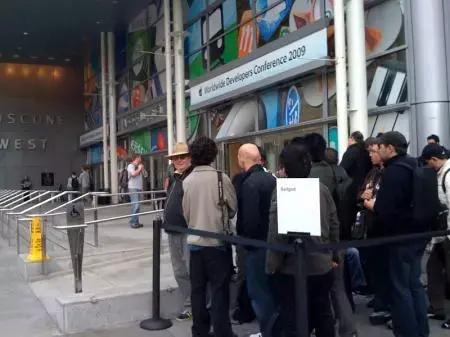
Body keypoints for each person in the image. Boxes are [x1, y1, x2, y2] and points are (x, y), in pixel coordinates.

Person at [266, 144, 339, 337]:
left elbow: (276, 233)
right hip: (322, 263)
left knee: (292, 318)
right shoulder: (321, 189)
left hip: (292, 267)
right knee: (323, 313)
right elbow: (333, 224)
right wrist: (335, 255)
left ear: (285, 167)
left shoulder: (283, 191)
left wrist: (272, 264)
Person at [365, 131, 429, 337]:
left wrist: (370, 203)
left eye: (380, 146)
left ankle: (407, 332)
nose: (377, 150)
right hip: (419, 234)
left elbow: (384, 209)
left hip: (398, 237)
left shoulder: (393, 172)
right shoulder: (415, 166)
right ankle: (421, 330)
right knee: (414, 285)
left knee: (400, 289)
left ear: (390, 148)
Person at [182, 136, 237, 337]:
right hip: (218, 243)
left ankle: (199, 331)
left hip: (195, 245)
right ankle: (223, 331)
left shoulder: (187, 181)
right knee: (219, 290)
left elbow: (186, 213)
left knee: (197, 290)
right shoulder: (221, 178)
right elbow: (232, 209)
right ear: (213, 154)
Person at [236, 143, 276, 336]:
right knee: (272, 290)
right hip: (273, 244)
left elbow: (249, 221)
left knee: (259, 293)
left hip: (255, 247)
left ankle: (266, 331)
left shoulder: (249, 183)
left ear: (242, 158)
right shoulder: (271, 179)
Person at [421, 143, 450, 329]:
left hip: (448, 233)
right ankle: (437, 307)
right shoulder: (442, 173)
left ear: (434, 160)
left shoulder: (448, 176)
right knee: (433, 267)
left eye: (428, 163)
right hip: (443, 233)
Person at [164, 142, 194, 321]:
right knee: (179, 271)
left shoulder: (192, 176)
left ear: (190, 157)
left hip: (187, 231)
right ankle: (189, 304)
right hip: (172, 230)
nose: (179, 160)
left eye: (183, 156)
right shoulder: (174, 177)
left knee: (192, 270)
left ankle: (197, 305)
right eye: (176, 157)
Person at [127, 154, 145, 229]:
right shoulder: (130, 166)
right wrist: (139, 169)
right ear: (136, 158)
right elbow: (133, 174)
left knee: (136, 206)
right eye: (140, 158)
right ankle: (133, 222)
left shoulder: (140, 166)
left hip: (138, 188)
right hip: (133, 188)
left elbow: (146, 175)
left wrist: (142, 169)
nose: (141, 159)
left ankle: (135, 221)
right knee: (136, 205)